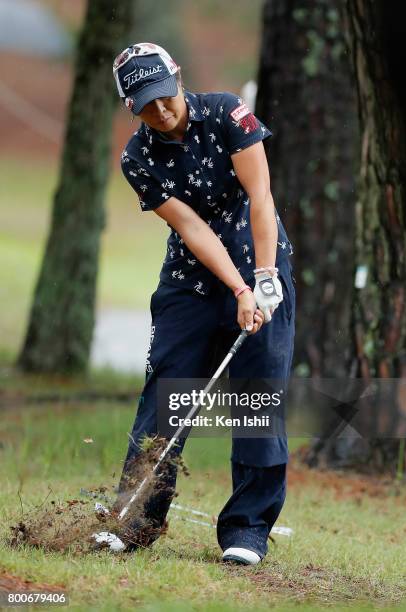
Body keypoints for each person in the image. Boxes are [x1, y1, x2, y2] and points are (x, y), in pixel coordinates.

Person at [111, 42, 295, 565]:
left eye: (165, 96)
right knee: (167, 392)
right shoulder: (138, 158)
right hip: (192, 281)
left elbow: (260, 196)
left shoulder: (225, 112)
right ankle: (134, 521)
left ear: (178, 79)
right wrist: (236, 289)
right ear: (131, 106)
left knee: (257, 400)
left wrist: (260, 279)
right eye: (146, 104)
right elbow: (190, 226)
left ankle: (247, 530)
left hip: (260, 261)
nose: (161, 110)